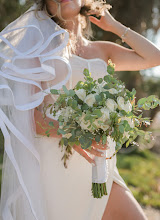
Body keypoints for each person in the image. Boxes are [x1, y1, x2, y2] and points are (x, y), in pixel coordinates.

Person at [0, 0, 160, 219]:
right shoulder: (39, 50)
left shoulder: (102, 50)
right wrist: (73, 133)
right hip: (57, 164)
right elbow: (28, 117)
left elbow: (154, 57)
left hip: (101, 164)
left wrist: (114, 26)